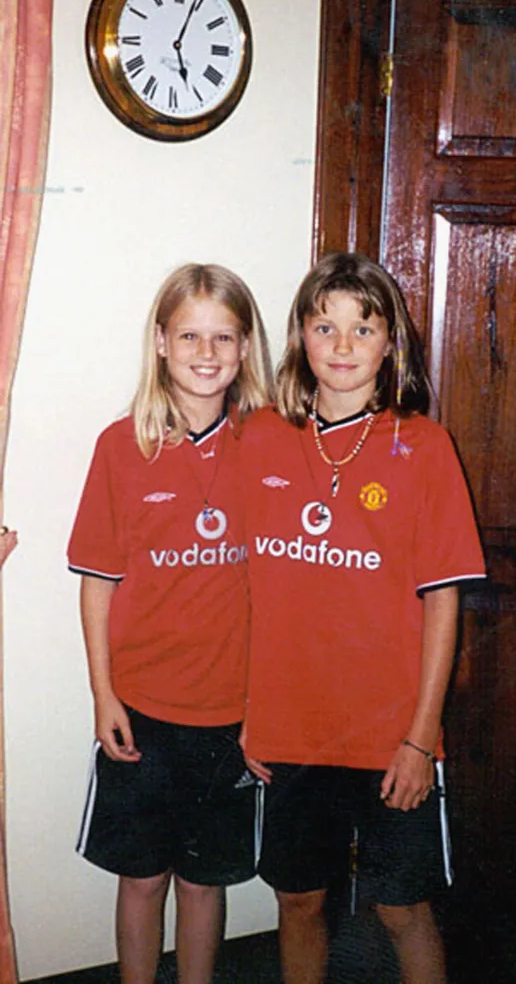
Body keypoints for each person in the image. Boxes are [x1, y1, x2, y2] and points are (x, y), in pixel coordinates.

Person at [241, 253, 486, 984]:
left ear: (390, 344)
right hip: (290, 733)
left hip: (390, 735)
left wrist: (421, 735)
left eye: (363, 328)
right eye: (326, 326)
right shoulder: (261, 438)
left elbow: (443, 600)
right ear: (301, 338)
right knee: (299, 900)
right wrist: (247, 714)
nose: (343, 346)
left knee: (402, 909)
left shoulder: (425, 446)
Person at [68, 263, 272, 984]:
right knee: (143, 879)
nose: (206, 351)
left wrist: (270, 708)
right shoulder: (120, 446)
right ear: (160, 341)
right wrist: (104, 696)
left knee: (203, 881)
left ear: (246, 347)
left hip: (234, 715)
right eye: (189, 333)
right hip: (142, 712)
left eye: (224, 335)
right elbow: (98, 583)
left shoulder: (270, 447)